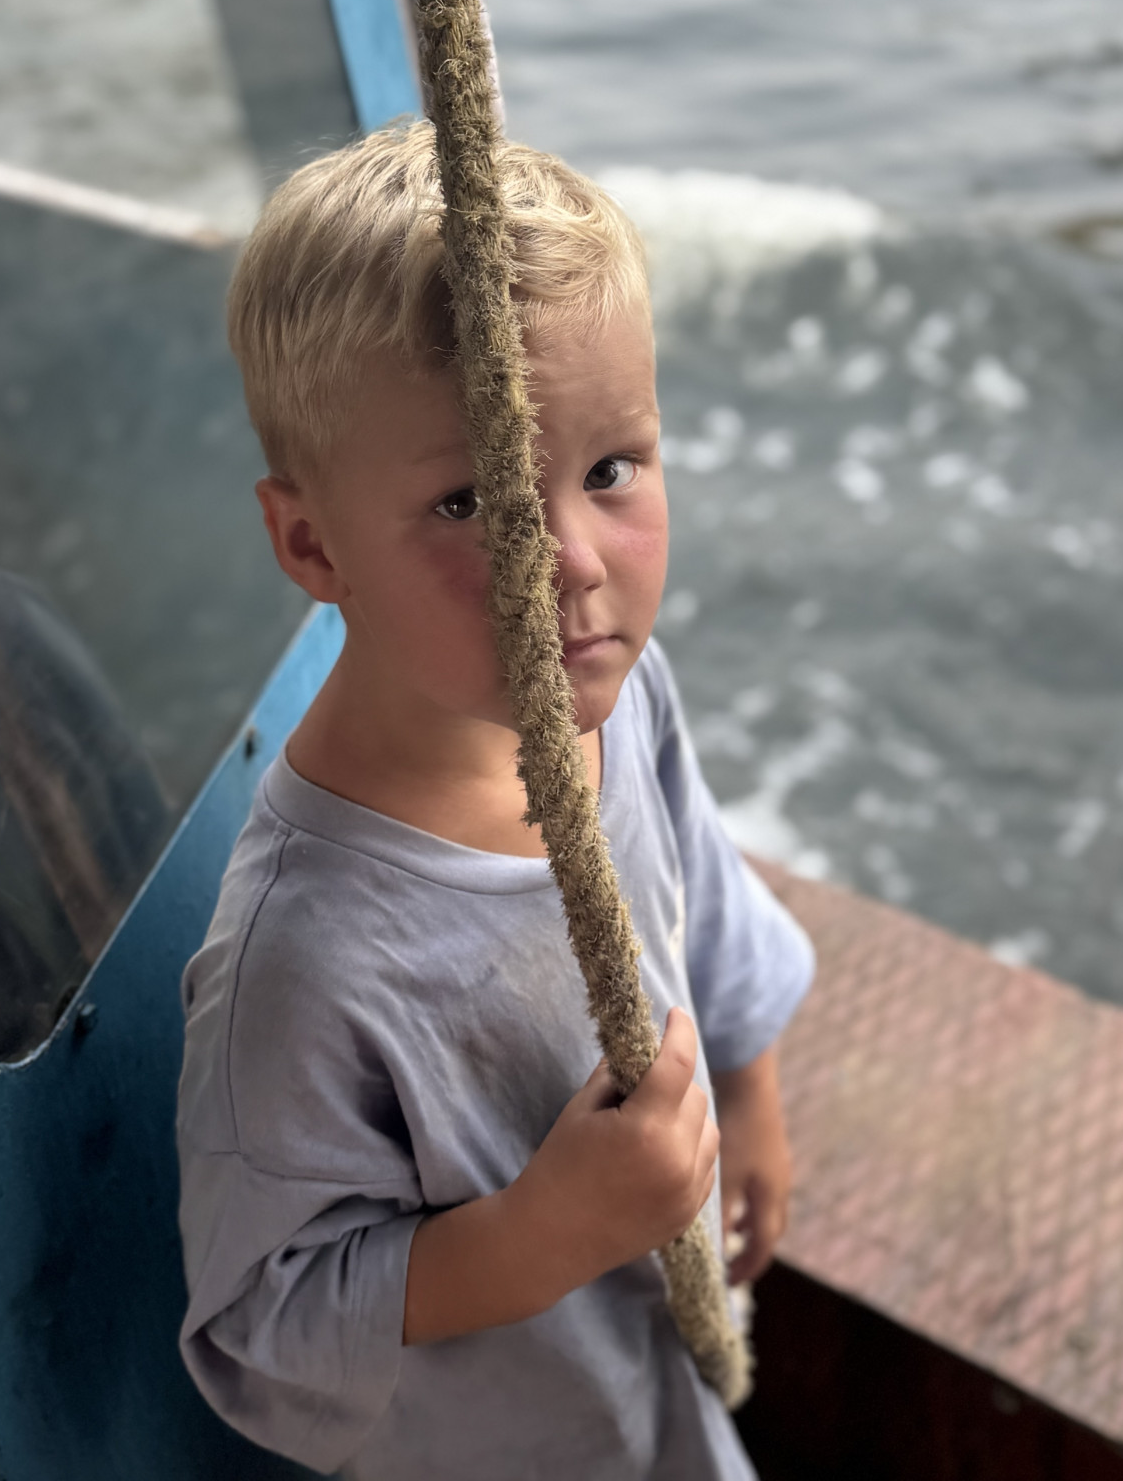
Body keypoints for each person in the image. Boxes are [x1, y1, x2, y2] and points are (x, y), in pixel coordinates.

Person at [176, 121, 814, 1479]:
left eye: (611, 469)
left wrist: (751, 1090)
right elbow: (263, 1333)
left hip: (663, 1393)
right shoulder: (305, 955)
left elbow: (697, 897)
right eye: (471, 502)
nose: (570, 560)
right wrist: (539, 1237)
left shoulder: (620, 698)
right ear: (311, 543)